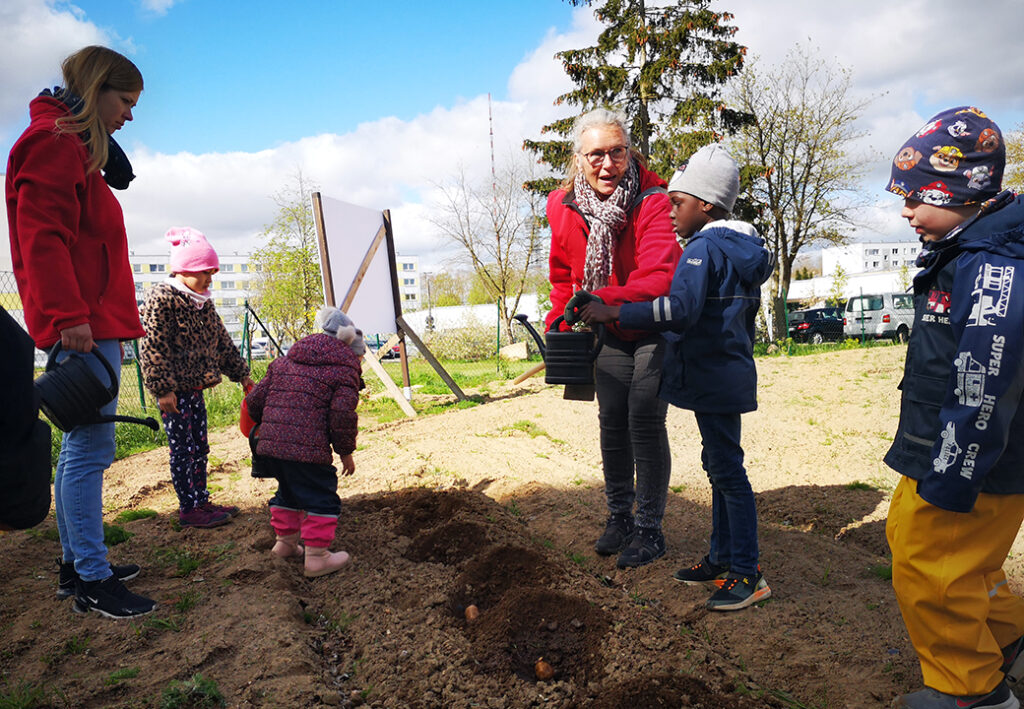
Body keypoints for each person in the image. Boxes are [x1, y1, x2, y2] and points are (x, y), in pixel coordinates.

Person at [580, 144, 774, 610]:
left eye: (677, 202)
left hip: (712, 377)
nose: (669, 211)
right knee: (719, 466)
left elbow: (679, 309)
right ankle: (720, 557)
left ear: (705, 205)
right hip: (727, 374)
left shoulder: (703, 250)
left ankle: (748, 572)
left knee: (728, 472)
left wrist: (615, 310)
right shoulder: (740, 249)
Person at [5, 45, 156, 618]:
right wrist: (69, 316)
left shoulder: (69, 146)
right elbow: (42, 237)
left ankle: (79, 566)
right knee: (91, 449)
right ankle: (92, 577)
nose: (130, 115)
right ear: (97, 91)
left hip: (91, 321)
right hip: (85, 325)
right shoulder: (56, 144)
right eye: (126, 100)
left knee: (80, 449)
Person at [882, 107, 1024, 709]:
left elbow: (986, 378)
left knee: (931, 568)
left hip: (968, 463)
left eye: (915, 197)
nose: (906, 211)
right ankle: (1010, 629)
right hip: (944, 451)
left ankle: (971, 690)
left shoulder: (993, 269)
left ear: (959, 190)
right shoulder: (967, 252)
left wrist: (953, 471)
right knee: (951, 557)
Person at [546, 108, 682, 569]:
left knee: (644, 417)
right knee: (612, 421)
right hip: (606, 325)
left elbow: (659, 275)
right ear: (578, 159)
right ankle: (619, 517)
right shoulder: (563, 206)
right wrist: (560, 321)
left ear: (630, 152)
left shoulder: (652, 200)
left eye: (617, 153)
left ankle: (649, 529)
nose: (607, 165)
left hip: (650, 322)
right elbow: (564, 273)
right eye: (596, 155)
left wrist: (600, 300)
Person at [139, 227, 254, 529]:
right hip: (175, 393)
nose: (209, 279)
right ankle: (189, 508)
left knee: (200, 448)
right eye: (205, 271)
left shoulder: (201, 301)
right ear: (185, 268)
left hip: (196, 388)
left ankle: (201, 499)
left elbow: (222, 342)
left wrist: (241, 374)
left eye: (212, 273)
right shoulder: (162, 299)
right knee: (183, 449)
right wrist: (163, 389)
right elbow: (153, 346)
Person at [244, 306, 365, 578]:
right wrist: (345, 451)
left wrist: (272, 423)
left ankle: (285, 544)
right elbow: (342, 416)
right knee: (321, 496)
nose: (360, 366)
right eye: (360, 359)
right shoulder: (344, 371)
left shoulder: (286, 361)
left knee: (288, 492)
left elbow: (254, 402)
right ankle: (317, 557)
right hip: (307, 451)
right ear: (351, 353)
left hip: (272, 449)